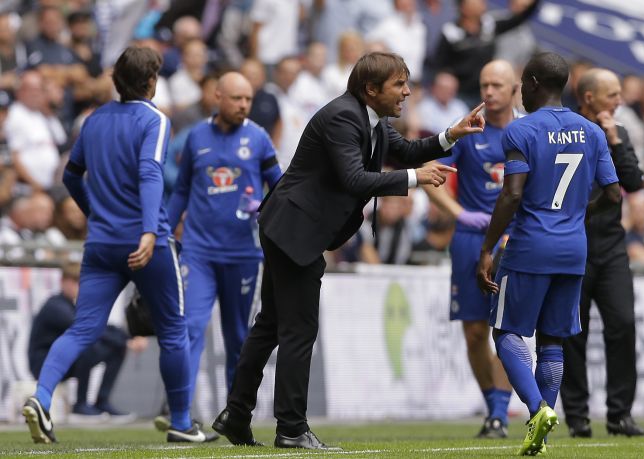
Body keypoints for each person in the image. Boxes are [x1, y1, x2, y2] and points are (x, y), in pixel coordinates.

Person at [211, 51, 486, 449]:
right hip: (295, 231)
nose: (407, 92)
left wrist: (451, 135)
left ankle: (236, 415)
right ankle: (290, 429)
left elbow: (407, 150)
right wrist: (414, 180)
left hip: (292, 228)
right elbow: (355, 179)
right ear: (370, 89)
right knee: (297, 330)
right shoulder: (343, 116)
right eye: (399, 84)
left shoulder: (370, 118)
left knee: (271, 325)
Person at [21, 46, 215, 444]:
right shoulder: (155, 121)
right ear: (150, 82)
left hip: (102, 244)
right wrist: (147, 231)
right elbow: (149, 172)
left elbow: (72, 176)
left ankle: (41, 396)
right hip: (148, 243)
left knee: (83, 328)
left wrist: (94, 213)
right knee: (174, 331)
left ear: (115, 80)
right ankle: (181, 422)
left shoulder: (92, 121)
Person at [476, 52, 621, 456]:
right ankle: (540, 430)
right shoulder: (591, 132)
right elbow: (613, 192)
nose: (521, 90)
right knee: (552, 339)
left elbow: (513, 193)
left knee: (505, 331)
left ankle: (538, 408)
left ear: (535, 83)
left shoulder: (521, 132)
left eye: (522, 83)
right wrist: (579, 213)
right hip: (574, 248)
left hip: (530, 246)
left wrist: (487, 247)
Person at [166, 72, 282, 410]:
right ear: (218, 97)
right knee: (190, 327)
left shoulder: (259, 138)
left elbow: (279, 186)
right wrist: (163, 232)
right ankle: (181, 415)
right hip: (198, 251)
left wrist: (265, 208)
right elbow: (182, 190)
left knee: (238, 339)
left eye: (248, 99)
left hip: (243, 253)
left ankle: (236, 413)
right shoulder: (195, 137)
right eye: (237, 98)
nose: (245, 105)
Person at [422, 59, 517, 438]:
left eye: (497, 85)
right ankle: (493, 407)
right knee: (475, 333)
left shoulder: (527, 130)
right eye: (483, 85)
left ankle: (498, 411)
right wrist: (461, 213)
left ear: (514, 91)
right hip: (471, 239)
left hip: (515, 240)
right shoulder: (467, 130)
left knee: (509, 330)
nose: (489, 92)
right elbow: (430, 174)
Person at [559, 68, 644, 438]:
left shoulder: (619, 133)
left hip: (611, 247)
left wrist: (614, 139)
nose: (620, 101)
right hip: (571, 245)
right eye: (612, 95)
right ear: (589, 98)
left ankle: (619, 414)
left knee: (623, 324)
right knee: (571, 332)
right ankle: (577, 415)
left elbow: (634, 181)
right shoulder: (563, 133)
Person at [28, 262, 145, 421]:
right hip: (44, 364)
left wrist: (128, 338)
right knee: (87, 348)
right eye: (76, 281)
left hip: (63, 362)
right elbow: (87, 329)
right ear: (63, 281)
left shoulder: (72, 306)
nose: (80, 287)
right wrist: (125, 342)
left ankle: (102, 402)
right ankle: (80, 406)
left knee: (115, 348)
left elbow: (101, 326)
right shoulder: (54, 306)